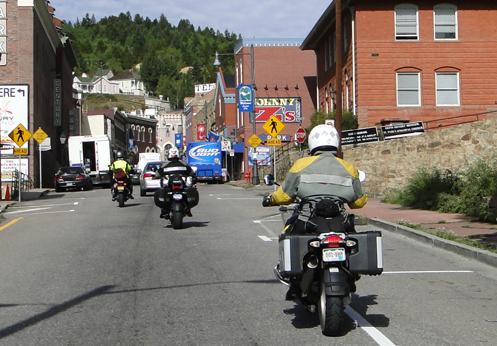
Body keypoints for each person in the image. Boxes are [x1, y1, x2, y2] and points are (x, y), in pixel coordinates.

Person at [263, 124, 367, 234]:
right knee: (354, 241)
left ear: (312, 141)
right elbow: (359, 202)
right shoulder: (349, 168)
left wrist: (270, 199)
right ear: (336, 141)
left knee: (287, 235)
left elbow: (284, 197)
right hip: (341, 223)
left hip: (308, 222)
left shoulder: (300, 165)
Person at [158, 148, 196, 218]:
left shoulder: (164, 165)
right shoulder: (183, 164)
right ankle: (187, 209)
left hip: (171, 187)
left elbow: (158, 174)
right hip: (179, 187)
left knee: (164, 191)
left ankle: (164, 210)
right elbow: (191, 173)